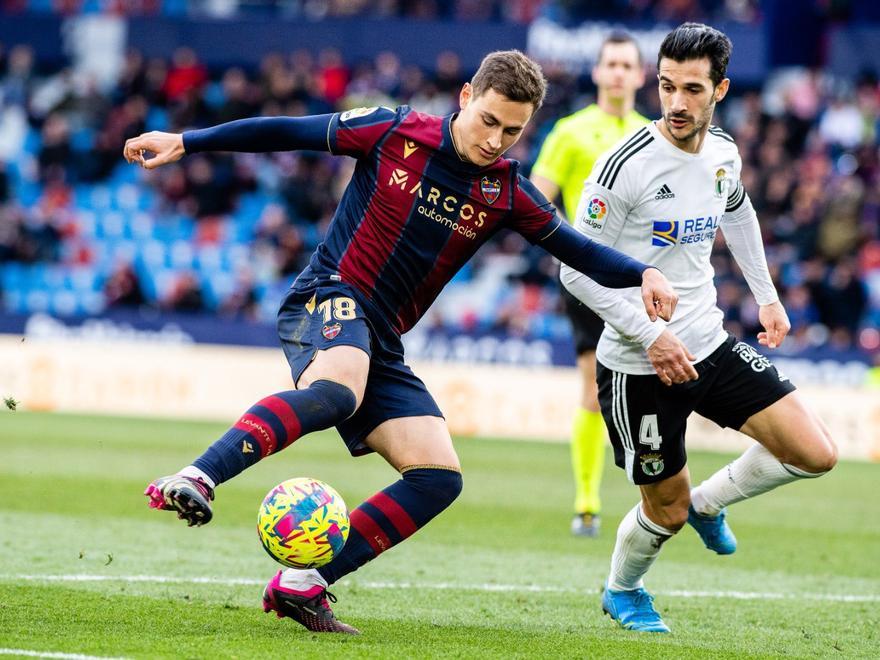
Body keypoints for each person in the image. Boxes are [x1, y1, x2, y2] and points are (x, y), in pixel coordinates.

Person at [124, 50, 678, 635]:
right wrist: (189, 142)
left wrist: (642, 272)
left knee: (438, 475)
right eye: (489, 121)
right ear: (466, 96)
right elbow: (290, 131)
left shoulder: (508, 191)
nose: (496, 140)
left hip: (381, 337)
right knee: (336, 392)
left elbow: (577, 248)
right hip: (329, 292)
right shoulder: (394, 130)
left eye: (513, 131)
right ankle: (198, 476)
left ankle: (304, 584)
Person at [560, 24, 838, 633]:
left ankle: (709, 503)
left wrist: (767, 298)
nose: (677, 103)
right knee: (665, 510)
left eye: (691, 88)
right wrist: (651, 335)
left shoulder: (722, 151)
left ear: (720, 89)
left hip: (708, 342)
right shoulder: (622, 165)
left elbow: (737, 213)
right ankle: (623, 591)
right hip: (638, 365)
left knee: (815, 453)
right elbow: (574, 271)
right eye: (666, 87)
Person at [531, 31, 649, 538]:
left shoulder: (657, 134)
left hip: (646, 278)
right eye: (612, 64)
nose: (619, 72)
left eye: (628, 64)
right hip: (590, 277)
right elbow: (537, 197)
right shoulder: (570, 132)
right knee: (591, 385)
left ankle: (659, 492)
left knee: (658, 382)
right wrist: (570, 246)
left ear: (641, 76)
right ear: (598, 72)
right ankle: (587, 502)